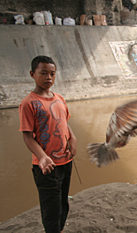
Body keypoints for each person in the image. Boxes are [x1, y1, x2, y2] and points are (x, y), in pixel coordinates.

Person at [19, 55, 77, 233]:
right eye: (43, 73)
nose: (48, 78)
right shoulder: (29, 103)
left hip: (65, 162)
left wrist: (72, 138)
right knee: (51, 208)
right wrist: (42, 157)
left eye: (52, 73)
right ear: (32, 74)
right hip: (46, 166)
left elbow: (63, 122)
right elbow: (28, 136)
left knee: (62, 203)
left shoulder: (59, 98)